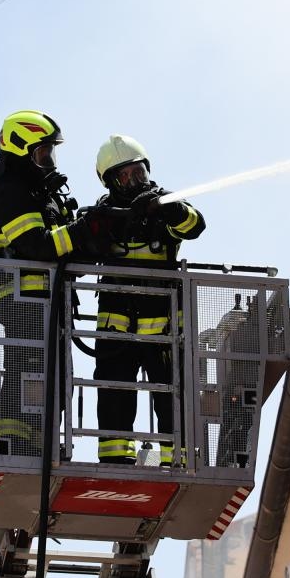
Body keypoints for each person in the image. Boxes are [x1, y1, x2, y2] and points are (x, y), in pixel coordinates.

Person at [0, 110, 114, 458]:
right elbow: (36, 246)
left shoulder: (40, 195)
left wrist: (96, 232)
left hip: (49, 299)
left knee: (55, 377)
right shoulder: (10, 193)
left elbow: (65, 249)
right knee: (27, 368)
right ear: (21, 150)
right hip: (22, 298)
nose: (49, 160)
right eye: (42, 152)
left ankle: (40, 447)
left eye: (50, 152)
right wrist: (81, 232)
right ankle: (10, 445)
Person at [90, 135, 205, 466]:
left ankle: (177, 459)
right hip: (116, 325)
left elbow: (195, 225)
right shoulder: (104, 215)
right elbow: (86, 243)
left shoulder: (166, 204)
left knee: (172, 394)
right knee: (114, 392)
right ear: (111, 183)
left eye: (138, 172)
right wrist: (113, 221)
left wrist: (168, 207)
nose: (134, 181)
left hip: (163, 324)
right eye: (125, 176)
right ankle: (115, 459)